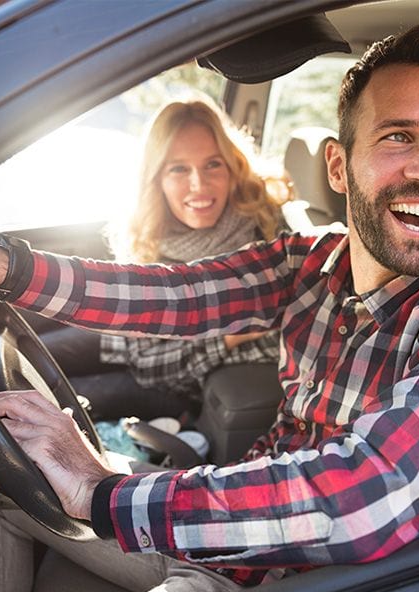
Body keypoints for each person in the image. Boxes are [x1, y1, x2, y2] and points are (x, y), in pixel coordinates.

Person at [0, 22, 419, 592]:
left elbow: (367, 499)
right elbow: (167, 295)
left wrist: (101, 490)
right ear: (338, 167)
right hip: (223, 521)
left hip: (308, 580)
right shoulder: (312, 262)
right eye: (398, 137)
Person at [24, 97, 287, 422]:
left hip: (179, 385)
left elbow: (154, 367)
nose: (198, 184)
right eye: (179, 168)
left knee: (55, 398)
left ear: (233, 168)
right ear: (157, 177)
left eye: (213, 164)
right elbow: (138, 340)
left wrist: (230, 338)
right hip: (131, 341)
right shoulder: (153, 228)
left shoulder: (268, 233)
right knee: (29, 353)